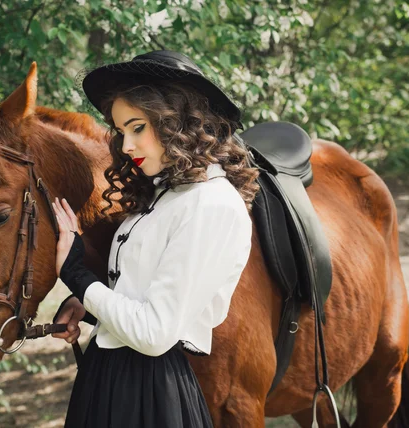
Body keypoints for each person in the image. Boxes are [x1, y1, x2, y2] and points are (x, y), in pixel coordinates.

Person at [50, 50, 259, 428]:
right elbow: (141, 291)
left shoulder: (211, 204)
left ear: (177, 122)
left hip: (147, 396)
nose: (126, 146)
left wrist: (77, 275)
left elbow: (155, 333)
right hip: (108, 377)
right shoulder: (164, 193)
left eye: (137, 127)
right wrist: (87, 303)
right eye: (121, 131)